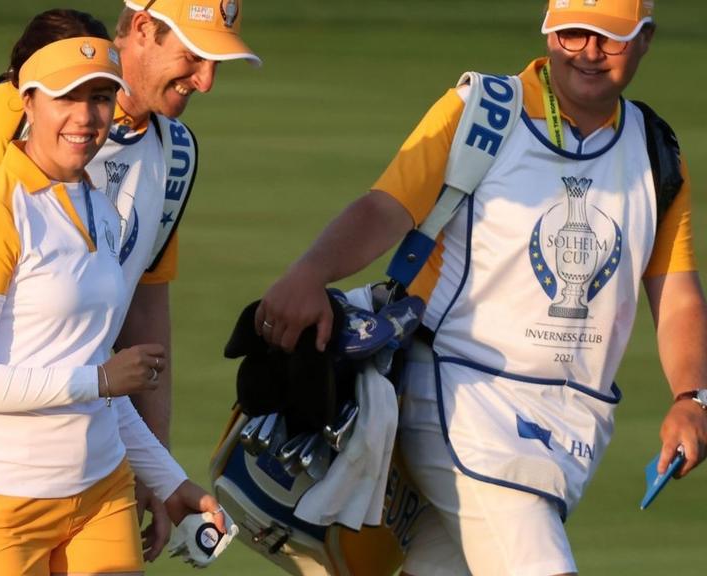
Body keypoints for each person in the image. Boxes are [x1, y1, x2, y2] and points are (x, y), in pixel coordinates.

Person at [255, 1, 707, 575]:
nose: (588, 53)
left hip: (569, 424)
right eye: (573, 34)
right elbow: (387, 208)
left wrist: (692, 397)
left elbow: (677, 290)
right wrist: (309, 272)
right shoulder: (484, 110)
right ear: (549, 32)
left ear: (645, 39)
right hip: (459, 396)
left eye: (610, 38)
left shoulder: (655, 150)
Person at [0, 0, 259, 559]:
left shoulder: (176, 151)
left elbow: (143, 309)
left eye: (217, 64)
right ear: (145, 30)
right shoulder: (12, 109)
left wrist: (157, 466)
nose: (205, 81)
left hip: (93, 455)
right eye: (194, 57)